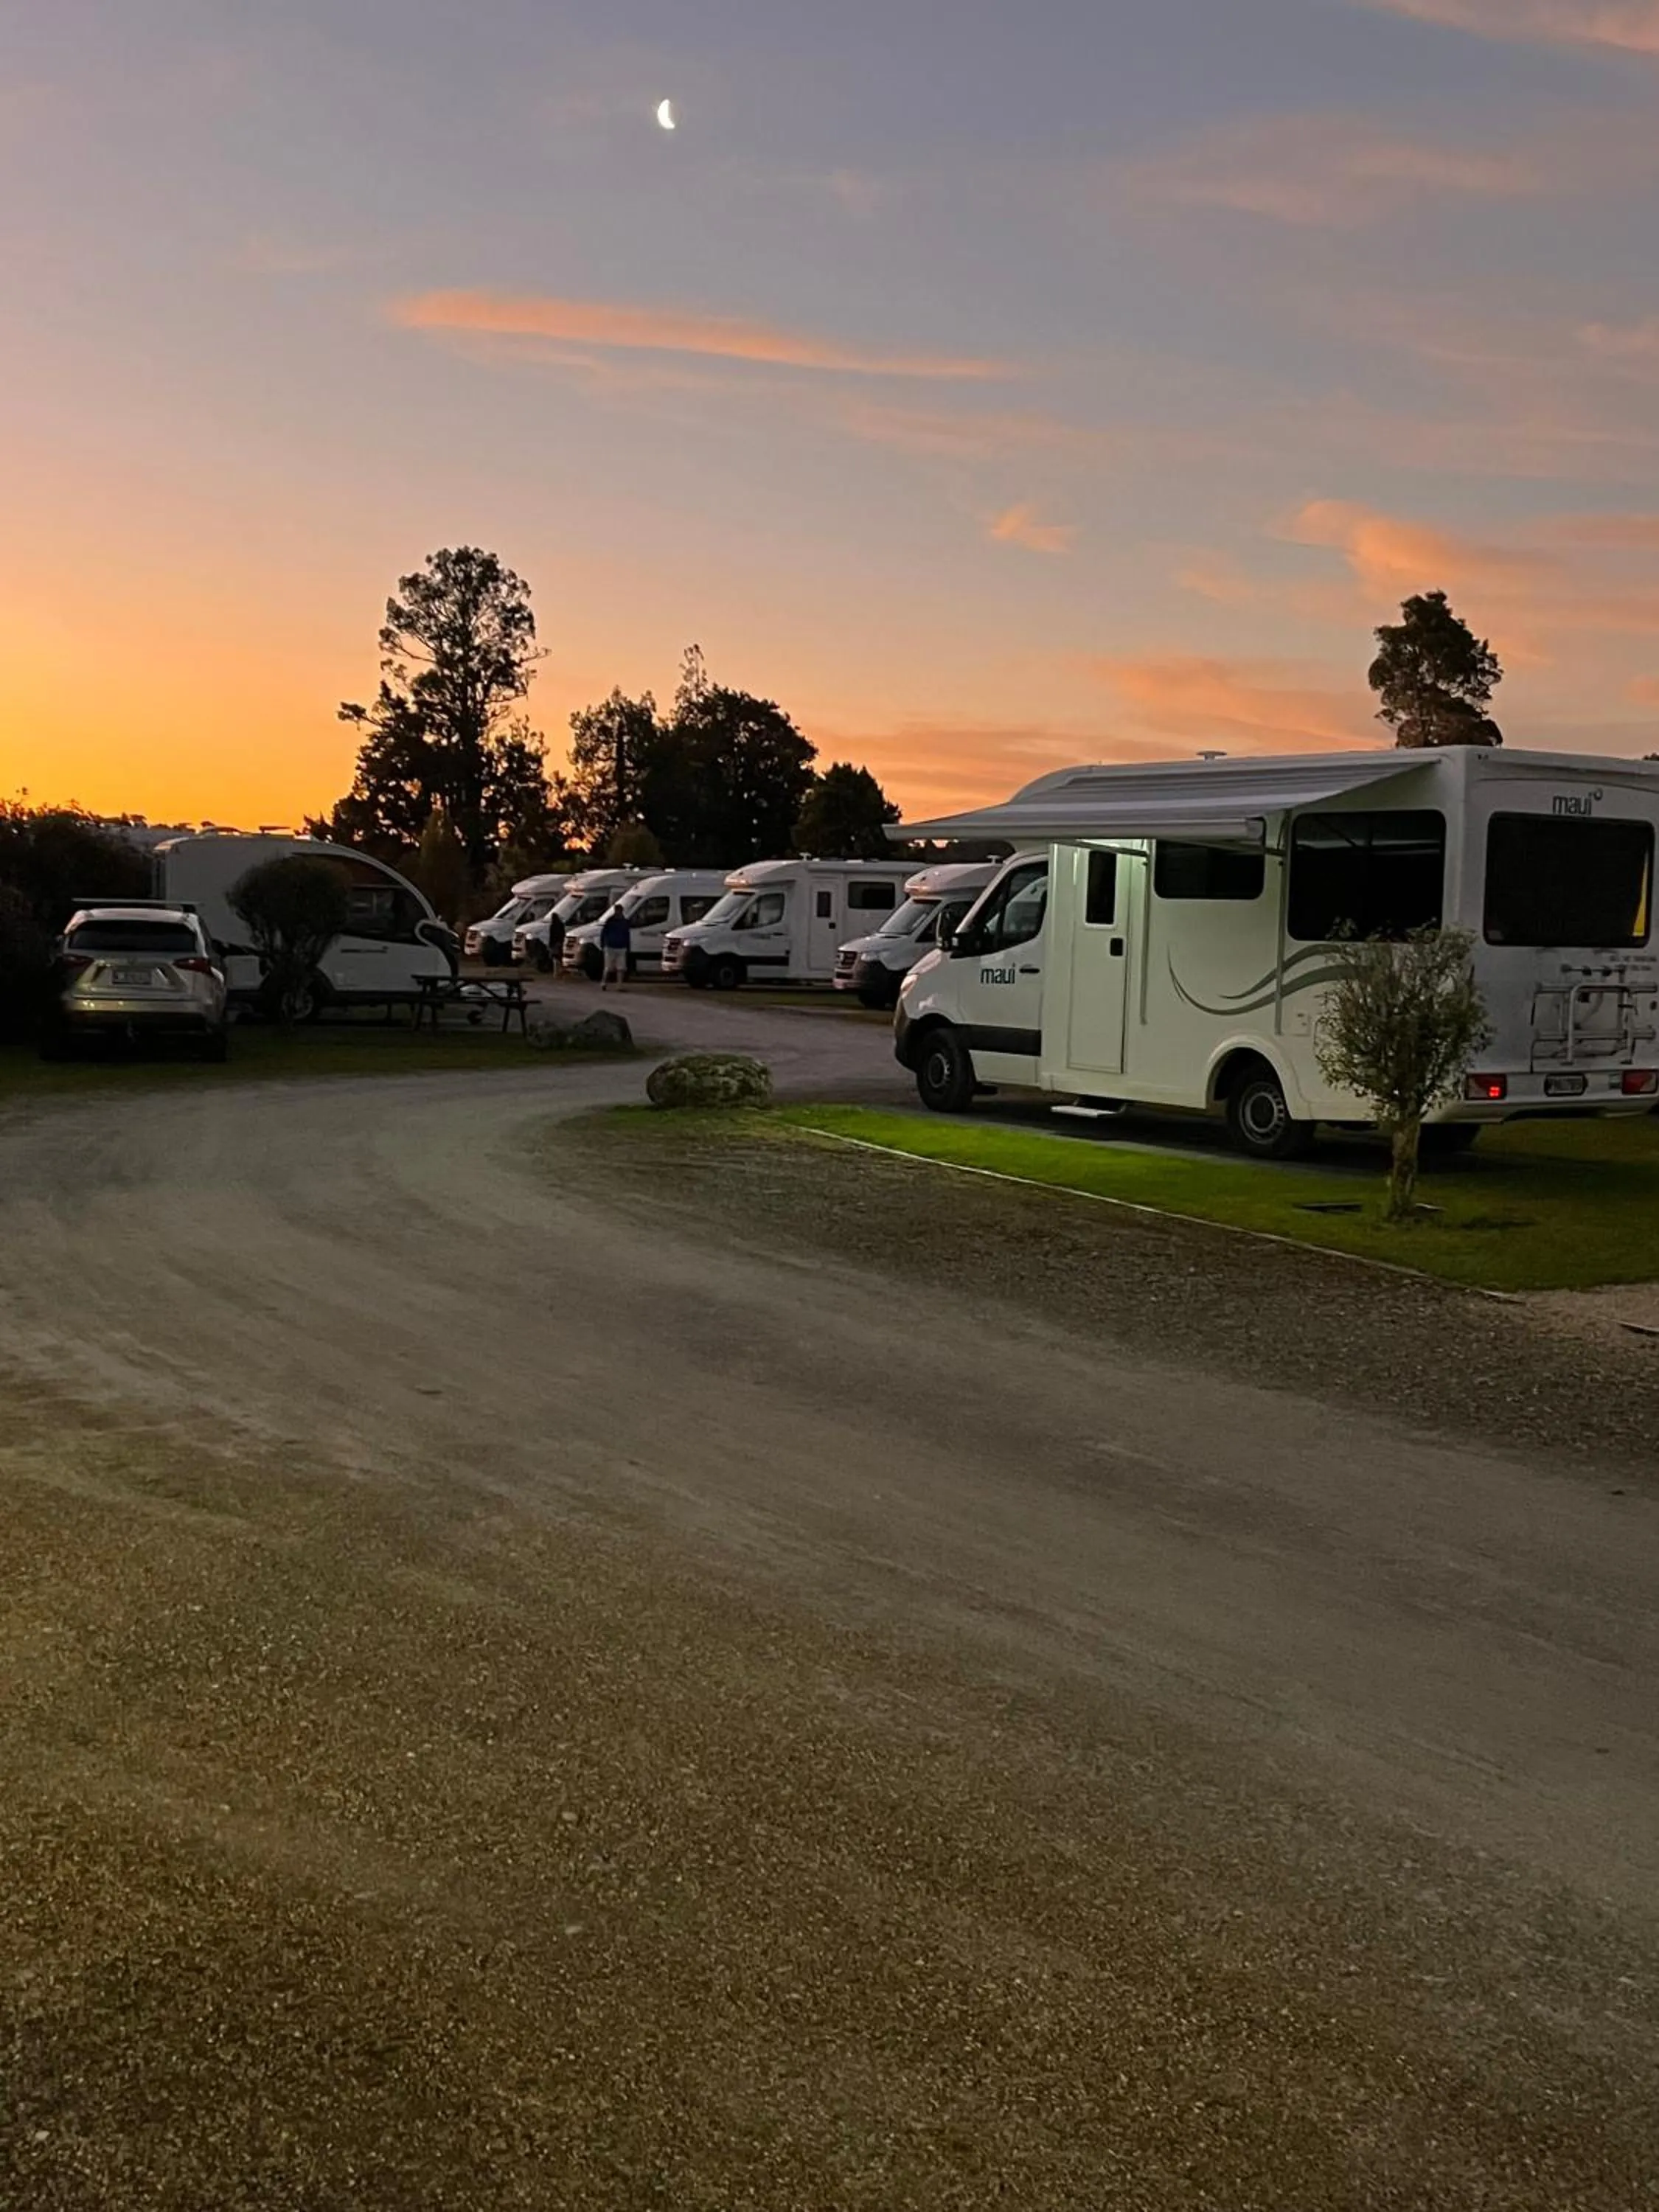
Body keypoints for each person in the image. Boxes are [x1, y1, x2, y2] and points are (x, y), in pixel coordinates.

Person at [599, 898, 632, 990]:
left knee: (621, 968)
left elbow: (627, 935)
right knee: (608, 967)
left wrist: (628, 946)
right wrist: (603, 944)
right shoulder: (610, 921)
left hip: (621, 947)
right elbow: (604, 933)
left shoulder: (624, 922)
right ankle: (604, 983)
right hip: (610, 946)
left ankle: (619, 985)